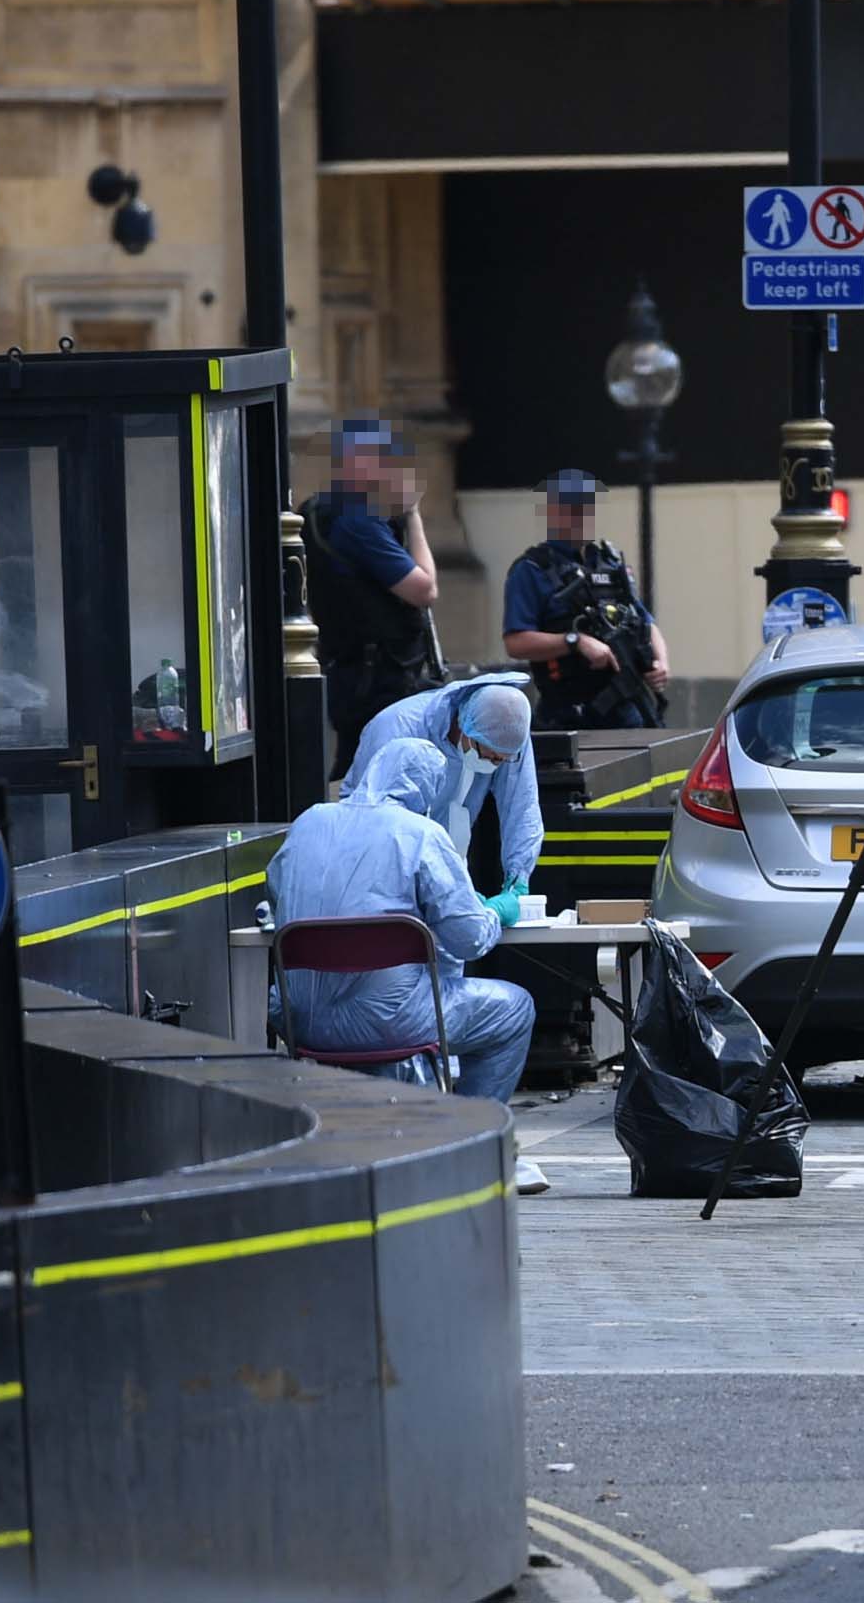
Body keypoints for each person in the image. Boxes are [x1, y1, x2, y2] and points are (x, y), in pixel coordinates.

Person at [267, 738, 549, 1194]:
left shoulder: (308, 823)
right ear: (425, 789)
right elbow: (470, 937)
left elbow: (279, 895)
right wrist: (499, 909)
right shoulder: (419, 834)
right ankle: (469, 1148)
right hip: (388, 1021)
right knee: (514, 1009)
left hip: (298, 1020)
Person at [301, 417, 444, 781]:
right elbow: (424, 590)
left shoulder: (317, 510)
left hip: (353, 669)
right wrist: (412, 516)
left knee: (361, 767)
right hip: (379, 678)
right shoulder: (358, 522)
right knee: (378, 772)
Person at [349, 671, 544, 908]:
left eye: (501, 760)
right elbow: (374, 824)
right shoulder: (397, 728)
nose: (493, 764)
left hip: (447, 867)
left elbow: (522, 806)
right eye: (489, 755)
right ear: (464, 725)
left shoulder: (508, 728)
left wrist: (517, 880)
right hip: (384, 871)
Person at [500, 470, 672, 730]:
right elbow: (516, 642)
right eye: (573, 508)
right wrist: (575, 642)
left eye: (587, 507)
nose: (582, 516)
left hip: (630, 709)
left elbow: (646, 622)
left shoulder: (609, 562)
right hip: (569, 714)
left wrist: (660, 663)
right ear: (552, 512)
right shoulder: (532, 569)